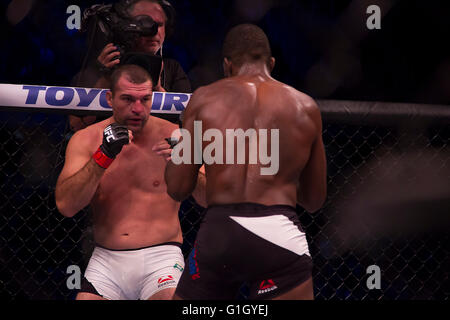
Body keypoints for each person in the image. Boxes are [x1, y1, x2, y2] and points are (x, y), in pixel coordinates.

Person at [164, 24, 327, 300]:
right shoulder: (306, 107)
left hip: (220, 231)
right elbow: (314, 200)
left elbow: (178, 188)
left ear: (226, 65)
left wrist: (182, 147)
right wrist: (279, 179)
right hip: (279, 233)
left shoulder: (203, 100)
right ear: (271, 63)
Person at [55, 64, 205, 300]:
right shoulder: (85, 140)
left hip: (162, 259)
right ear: (109, 98)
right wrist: (103, 155)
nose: (137, 108)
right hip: (107, 260)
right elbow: (66, 205)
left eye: (144, 99)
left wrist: (186, 164)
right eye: (127, 99)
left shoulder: (178, 135)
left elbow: (209, 199)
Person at [70, 0, 191, 131]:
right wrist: (104, 78)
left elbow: (189, 123)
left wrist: (158, 89)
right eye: (145, 22)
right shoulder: (100, 68)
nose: (154, 31)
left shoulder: (172, 69)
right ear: (126, 25)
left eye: (160, 25)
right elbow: (76, 125)